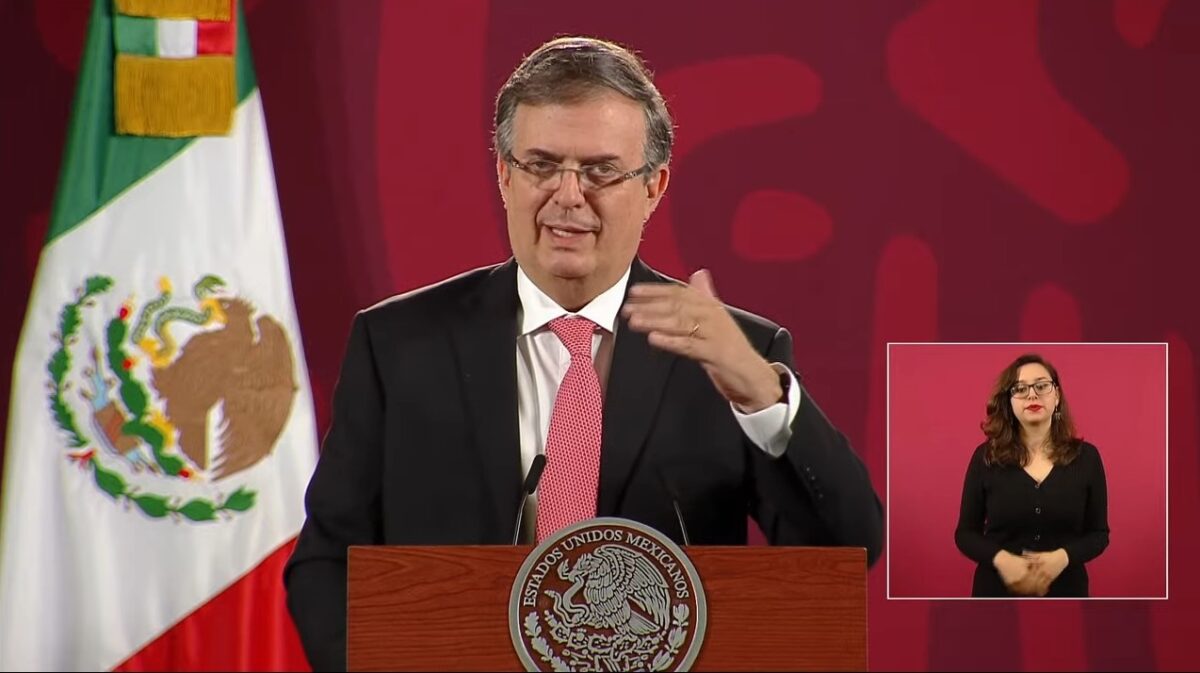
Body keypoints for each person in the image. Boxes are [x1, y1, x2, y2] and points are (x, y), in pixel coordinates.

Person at [283, 35, 883, 670]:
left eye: (600, 171)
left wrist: (761, 396)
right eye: (541, 166)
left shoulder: (736, 353)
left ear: (654, 186)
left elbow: (847, 552)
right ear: (505, 175)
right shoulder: (398, 344)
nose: (568, 196)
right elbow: (326, 561)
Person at [954, 353, 1110, 597]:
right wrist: (1003, 560)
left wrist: (1063, 557)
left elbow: (1099, 535)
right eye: (1020, 389)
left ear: (1057, 396)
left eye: (1041, 386)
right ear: (1009, 402)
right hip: (995, 594)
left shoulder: (1087, 458)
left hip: (1067, 594)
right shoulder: (986, 457)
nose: (1032, 395)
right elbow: (965, 534)